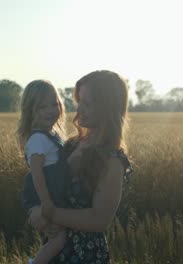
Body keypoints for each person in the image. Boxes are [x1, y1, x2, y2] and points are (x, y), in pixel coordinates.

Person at [28, 70, 134, 263]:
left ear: (106, 108)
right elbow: (43, 183)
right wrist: (33, 211)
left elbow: (99, 220)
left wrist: (48, 213)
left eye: (87, 104)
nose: (79, 109)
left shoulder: (112, 160)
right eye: (79, 101)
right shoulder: (70, 145)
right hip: (53, 251)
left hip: (85, 256)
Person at [16, 80, 71, 264]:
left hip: (54, 198)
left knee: (56, 237)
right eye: (42, 107)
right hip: (45, 199)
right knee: (59, 238)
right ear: (30, 110)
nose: (50, 110)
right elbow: (37, 175)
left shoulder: (51, 134)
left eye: (54, 104)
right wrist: (46, 204)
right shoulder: (38, 140)